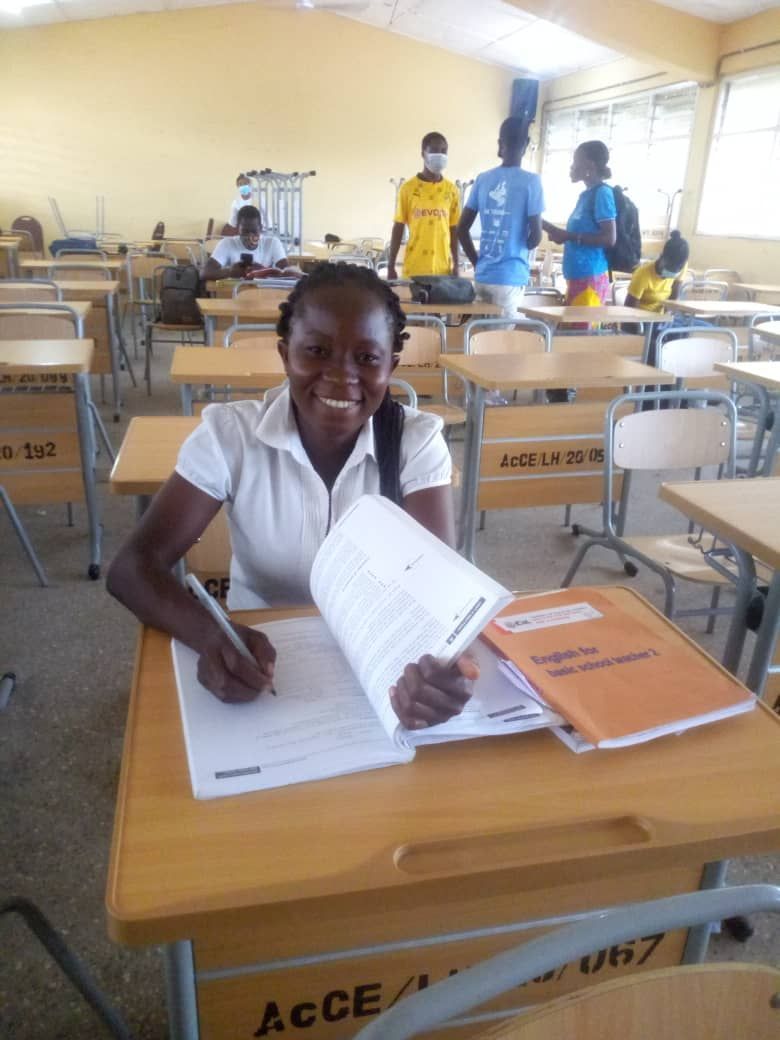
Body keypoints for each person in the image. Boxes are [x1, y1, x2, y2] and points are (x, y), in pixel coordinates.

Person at [106, 264, 476, 730]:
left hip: (375, 671)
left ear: (391, 367)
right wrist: (211, 638)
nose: (342, 377)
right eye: (317, 351)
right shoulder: (230, 435)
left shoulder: (415, 442)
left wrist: (441, 672)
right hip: (261, 667)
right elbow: (132, 568)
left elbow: (437, 591)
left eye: (367, 358)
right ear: (285, 354)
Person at [457, 117, 544, 317]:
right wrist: (520, 243)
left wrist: (477, 262)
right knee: (502, 341)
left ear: (500, 144)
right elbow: (536, 238)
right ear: (526, 145)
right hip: (511, 276)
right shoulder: (532, 182)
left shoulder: (483, 179)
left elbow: (461, 229)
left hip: (483, 275)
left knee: (479, 338)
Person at [542, 140, 617, 306]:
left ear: (589, 165)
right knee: (571, 331)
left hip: (590, 279)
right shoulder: (585, 196)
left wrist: (569, 236)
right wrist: (537, 219)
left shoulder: (602, 194)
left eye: (575, 162)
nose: (572, 167)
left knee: (579, 332)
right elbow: (572, 235)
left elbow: (609, 238)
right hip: (577, 278)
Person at [387, 132, 460, 281]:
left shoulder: (451, 190)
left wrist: (457, 264)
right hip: (415, 267)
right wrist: (391, 265)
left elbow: (454, 229)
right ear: (423, 153)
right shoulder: (408, 188)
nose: (439, 155)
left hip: (442, 268)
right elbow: (398, 227)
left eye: (443, 151)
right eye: (434, 150)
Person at [204, 205, 291, 281]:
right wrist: (230, 272)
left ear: (260, 228)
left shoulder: (272, 243)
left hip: (265, 295)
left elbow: (288, 274)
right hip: (234, 295)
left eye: (254, 231)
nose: (250, 236)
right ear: (238, 228)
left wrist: (262, 271)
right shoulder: (227, 243)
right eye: (245, 232)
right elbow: (204, 273)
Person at [625, 230, 689, 313]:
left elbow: (673, 299)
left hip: (661, 316)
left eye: (675, 271)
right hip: (641, 318)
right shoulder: (643, 274)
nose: (671, 274)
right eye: (669, 268)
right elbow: (629, 310)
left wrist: (667, 316)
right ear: (661, 257)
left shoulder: (681, 266)